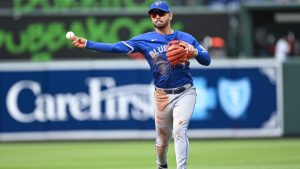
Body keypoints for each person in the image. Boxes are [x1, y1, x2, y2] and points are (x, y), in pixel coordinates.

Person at [68, 1, 211, 169]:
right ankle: (161, 164)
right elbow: (115, 47)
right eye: (153, 14)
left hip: (185, 92)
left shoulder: (186, 38)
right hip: (162, 96)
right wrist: (87, 43)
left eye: (161, 13)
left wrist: (194, 52)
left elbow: (206, 60)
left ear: (170, 15)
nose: (157, 17)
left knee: (179, 129)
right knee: (162, 143)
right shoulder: (144, 40)